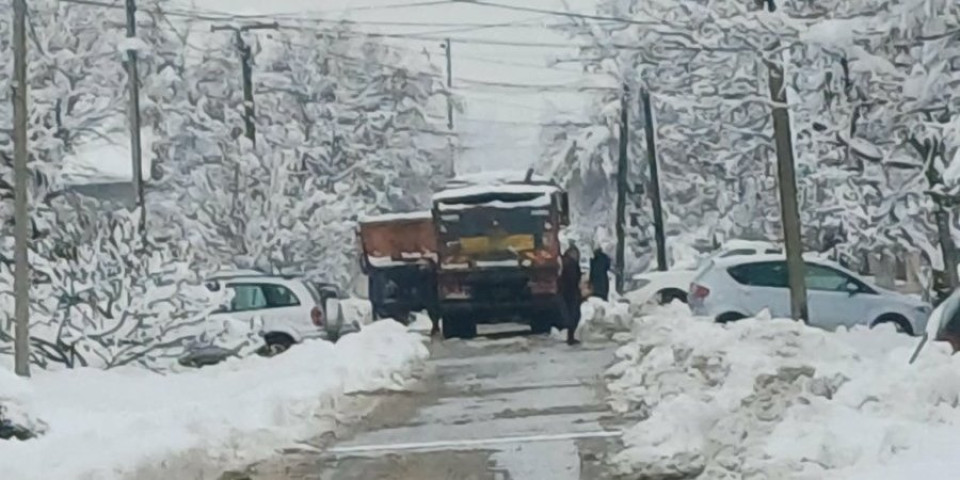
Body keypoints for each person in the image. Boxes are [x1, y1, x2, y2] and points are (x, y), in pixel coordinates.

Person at [559, 244, 582, 346]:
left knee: (571, 314)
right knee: (574, 314)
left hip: (566, 291)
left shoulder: (564, 262)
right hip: (571, 292)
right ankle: (571, 337)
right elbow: (573, 279)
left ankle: (570, 336)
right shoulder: (571, 264)